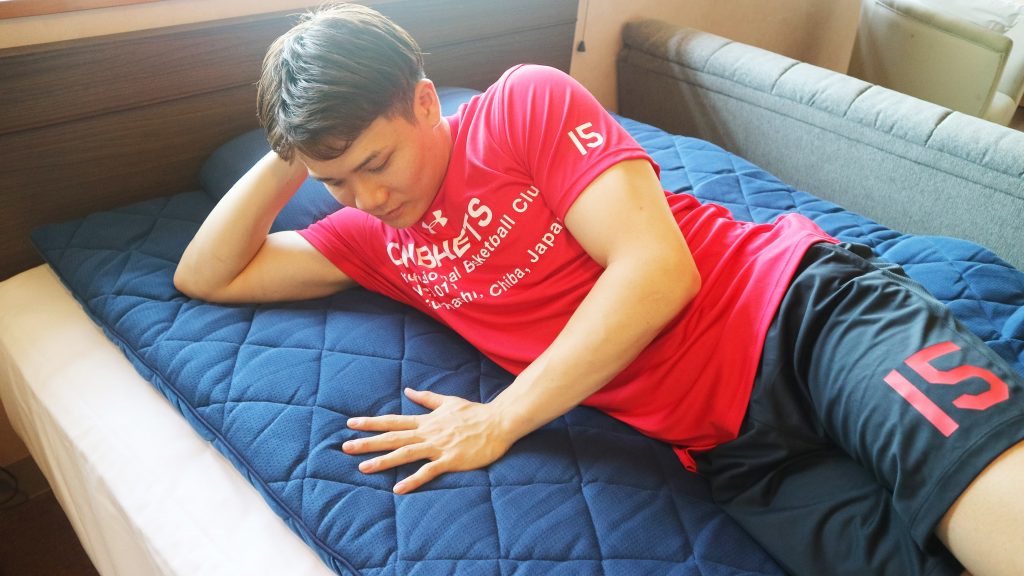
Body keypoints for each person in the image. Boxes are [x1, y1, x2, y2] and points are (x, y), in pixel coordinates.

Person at [173, 4, 1024, 575]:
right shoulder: (370, 238)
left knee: (985, 494)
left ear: (425, 103)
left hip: (802, 318)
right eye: (337, 181)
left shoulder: (521, 105)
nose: (368, 196)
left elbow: (658, 272)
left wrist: (500, 419)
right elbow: (207, 274)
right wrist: (296, 151)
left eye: (376, 161)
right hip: (735, 451)